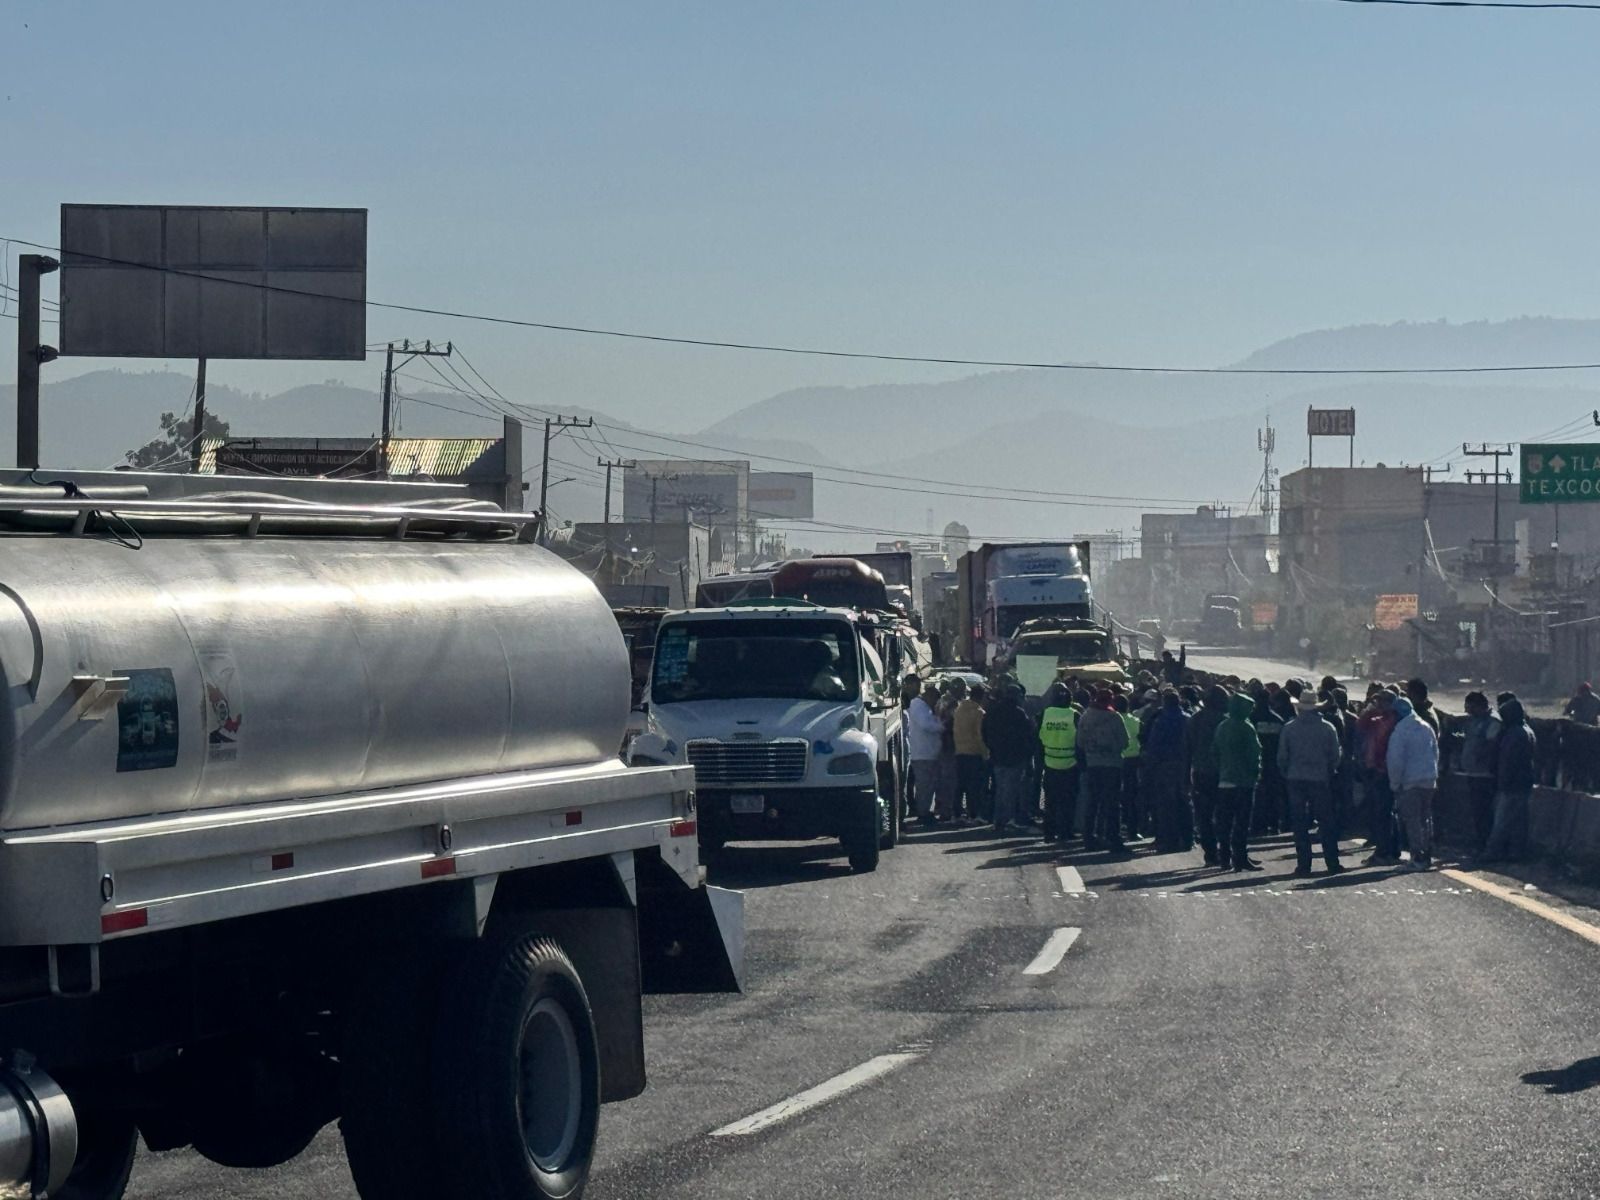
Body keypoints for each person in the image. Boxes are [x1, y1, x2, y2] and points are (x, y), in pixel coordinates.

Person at [1278, 694, 1344, 876]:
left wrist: (1286, 772)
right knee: (1326, 822)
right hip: (1319, 778)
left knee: (1299, 823)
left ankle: (1304, 864)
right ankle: (1332, 862)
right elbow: (1335, 755)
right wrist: (1329, 770)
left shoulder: (1290, 728)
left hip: (1295, 778)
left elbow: (1282, 756)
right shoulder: (1327, 728)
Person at [1387, 696, 1439, 871]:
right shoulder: (1426, 727)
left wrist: (1395, 783)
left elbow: (1395, 761)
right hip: (1429, 779)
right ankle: (1427, 854)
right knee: (1426, 819)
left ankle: (1417, 857)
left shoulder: (1400, 731)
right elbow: (1435, 752)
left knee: (1413, 821)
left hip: (1409, 782)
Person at [1077, 689, 1131, 856]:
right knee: (1112, 804)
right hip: (1112, 765)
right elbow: (1124, 742)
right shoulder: (1115, 718)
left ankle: (1089, 837)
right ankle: (1113, 838)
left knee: (1092, 802)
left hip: (1093, 764)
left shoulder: (1086, 716)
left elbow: (1080, 742)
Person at [1483, 697, 1537, 862]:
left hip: (1511, 784)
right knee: (1520, 821)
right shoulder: (1527, 731)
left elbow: (1507, 761)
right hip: (1524, 782)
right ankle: (1516, 852)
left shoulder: (1513, 734)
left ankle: (1492, 853)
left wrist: (1501, 781)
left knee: (1501, 820)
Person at [1214, 692, 1263, 871]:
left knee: (1225, 821)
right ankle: (1240, 857)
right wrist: (1256, 773)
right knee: (1241, 822)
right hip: (1243, 781)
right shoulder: (1246, 727)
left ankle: (1224, 857)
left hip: (1224, 779)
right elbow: (1254, 754)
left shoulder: (1222, 726)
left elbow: (1215, 751)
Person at [982, 684, 1038, 835]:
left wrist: (992, 747)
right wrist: (1026, 755)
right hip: (1015, 758)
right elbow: (1029, 736)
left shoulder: (993, 711)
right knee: (1011, 790)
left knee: (1000, 789)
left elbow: (984, 732)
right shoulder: (1019, 713)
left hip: (998, 756)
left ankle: (998, 820)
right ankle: (1008, 820)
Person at [1186, 685, 1232, 865]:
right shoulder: (1226, 721)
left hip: (1201, 772)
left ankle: (1211, 853)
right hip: (1223, 773)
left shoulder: (1195, 719)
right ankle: (1225, 852)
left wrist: (1186, 774)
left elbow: (1187, 748)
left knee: (1204, 815)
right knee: (1225, 814)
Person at [1144, 691, 1192, 851]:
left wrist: (1150, 766)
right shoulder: (1187, 719)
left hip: (1164, 766)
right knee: (1184, 802)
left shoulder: (1161, 721)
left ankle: (1168, 840)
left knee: (1166, 805)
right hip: (1184, 765)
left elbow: (1153, 745)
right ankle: (1187, 839)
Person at [1358, 690, 1400, 866]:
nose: (1378, 705)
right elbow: (1361, 724)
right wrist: (1370, 709)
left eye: (1382, 702)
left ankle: (1384, 851)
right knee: (1384, 812)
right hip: (1377, 769)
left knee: (1383, 813)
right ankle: (1390, 850)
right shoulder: (1379, 720)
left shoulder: (1391, 722)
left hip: (1383, 771)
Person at [1458, 691, 1502, 853]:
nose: (1467, 711)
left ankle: (1487, 845)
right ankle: (1480, 843)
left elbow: (1491, 747)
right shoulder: (1474, 721)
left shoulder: (1493, 722)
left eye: (1469, 707)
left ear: (1478, 706)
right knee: (1477, 812)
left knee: (1485, 812)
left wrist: (1478, 757)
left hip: (1485, 775)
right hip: (1473, 772)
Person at [1038, 682, 1080, 842]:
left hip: (1050, 763)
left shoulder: (1044, 714)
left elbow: (1037, 736)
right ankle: (1065, 832)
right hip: (1070, 763)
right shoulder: (1074, 715)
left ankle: (1049, 833)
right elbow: (1080, 740)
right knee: (1068, 801)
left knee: (1050, 801)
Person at [907, 684, 945, 825]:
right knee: (924, 786)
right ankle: (922, 813)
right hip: (922, 754)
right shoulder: (918, 706)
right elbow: (927, 725)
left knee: (928, 785)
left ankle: (925, 810)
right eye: (935, 698)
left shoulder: (923, 707)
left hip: (928, 753)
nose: (935, 702)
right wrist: (942, 726)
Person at [953, 683, 990, 824]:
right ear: (981, 696)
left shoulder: (959, 709)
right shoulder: (979, 712)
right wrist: (985, 753)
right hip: (974, 753)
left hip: (959, 750)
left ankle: (956, 814)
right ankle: (974, 815)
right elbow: (980, 735)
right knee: (974, 787)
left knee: (960, 785)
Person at [1115, 693, 1144, 841]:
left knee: (1114, 797)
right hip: (1133, 761)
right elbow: (1143, 740)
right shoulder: (1135, 721)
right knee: (1132, 797)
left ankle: (1114, 830)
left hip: (1115, 761)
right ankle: (1133, 830)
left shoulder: (1111, 720)